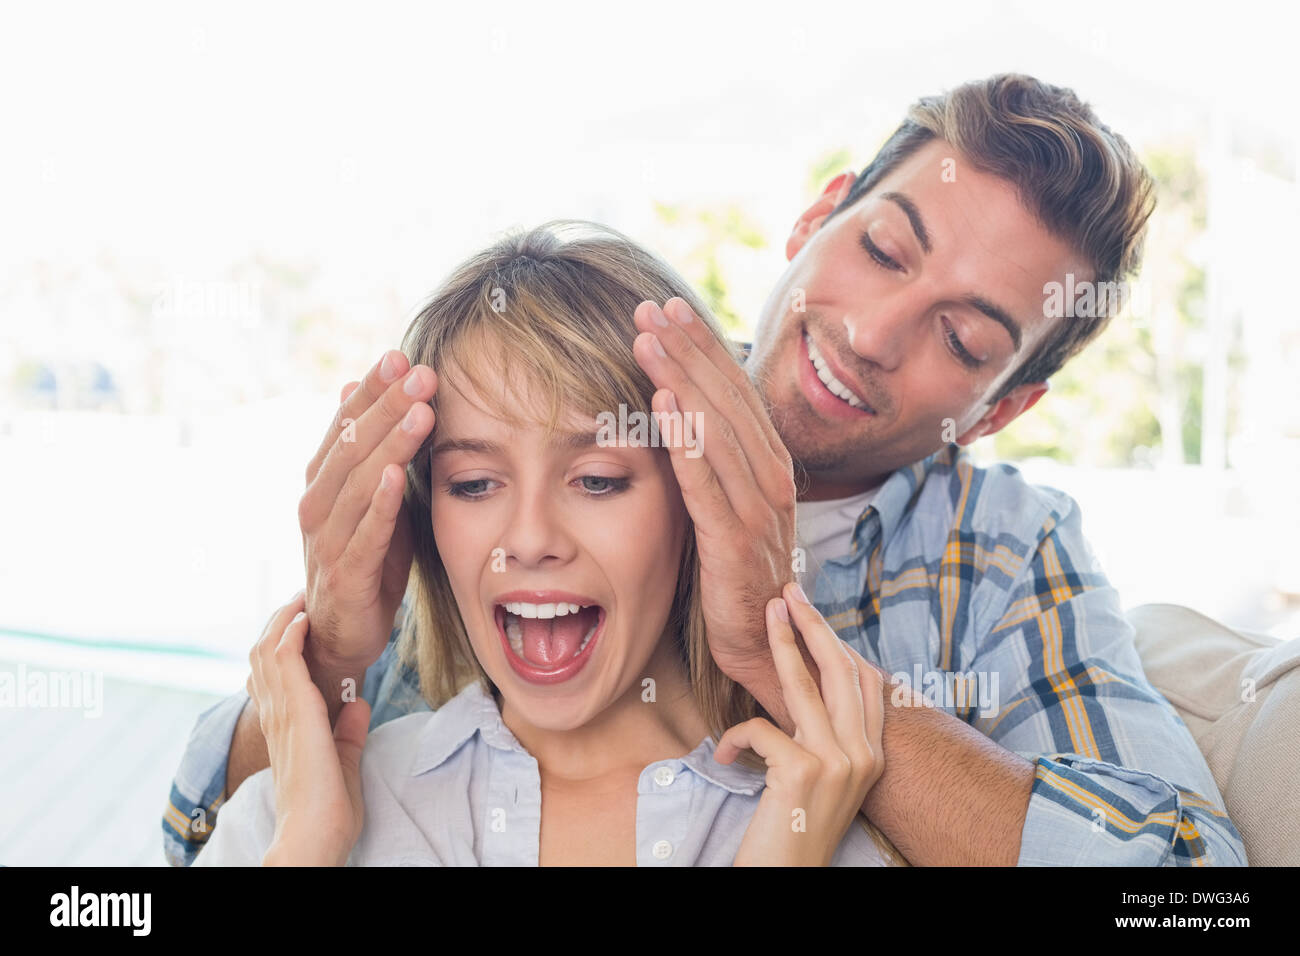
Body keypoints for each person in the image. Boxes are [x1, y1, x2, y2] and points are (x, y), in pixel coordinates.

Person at [166, 73, 1246, 866]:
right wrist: (336, 653)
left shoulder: (1008, 553)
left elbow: (1191, 886)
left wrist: (776, 655)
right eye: (880, 248)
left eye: (962, 341)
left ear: (1002, 405)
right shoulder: (578, 384)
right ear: (816, 216)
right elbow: (192, 845)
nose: (872, 332)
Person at [191, 221, 893, 865]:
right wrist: (310, 842)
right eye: (471, 484)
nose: (527, 540)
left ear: (703, 503)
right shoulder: (296, 815)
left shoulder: (822, 826)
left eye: (595, 480)